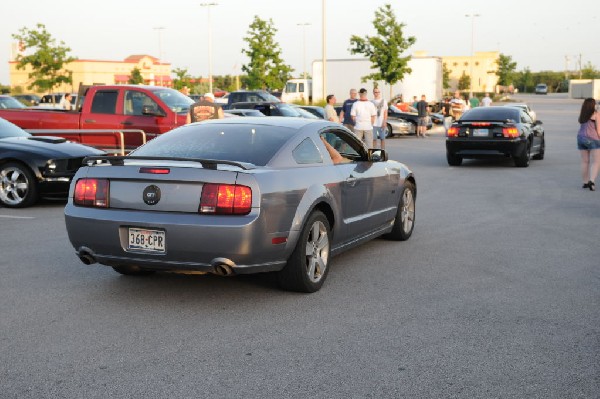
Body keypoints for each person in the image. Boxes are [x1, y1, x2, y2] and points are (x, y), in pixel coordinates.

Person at [577, 98, 600, 191]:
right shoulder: (596, 114)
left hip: (581, 138)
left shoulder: (582, 115)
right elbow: (598, 130)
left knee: (584, 161)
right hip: (593, 139)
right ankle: (592, 181)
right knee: (596, 161)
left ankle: (585, 182)